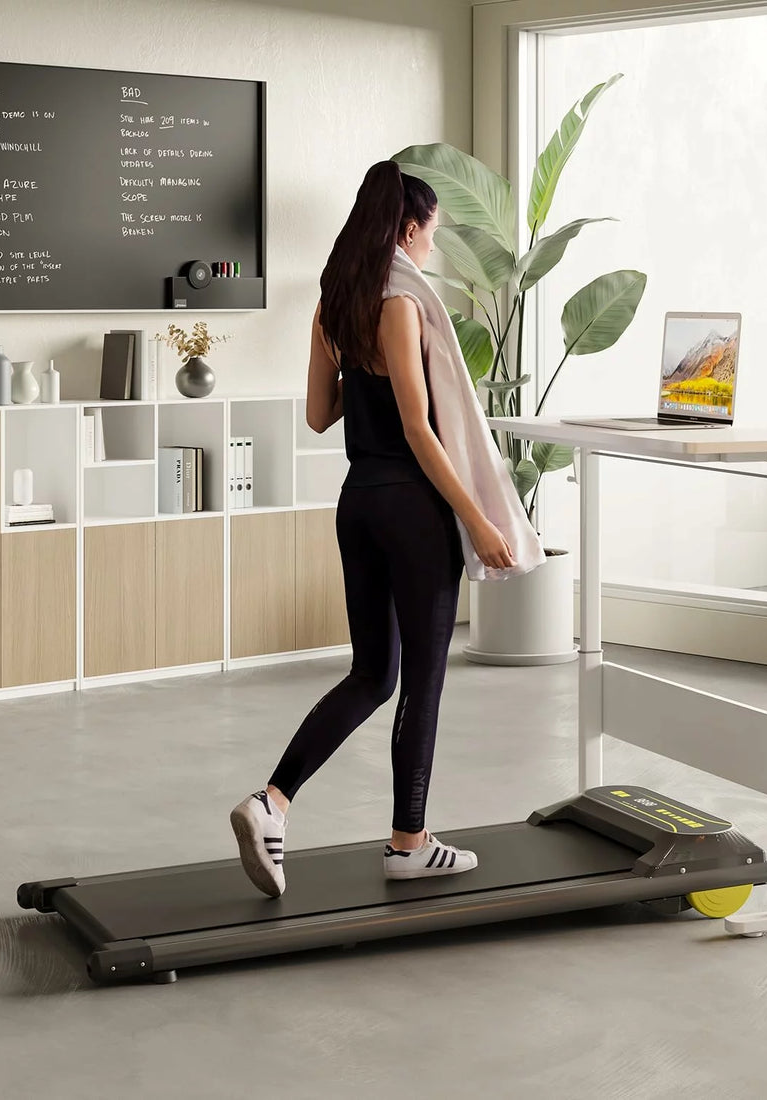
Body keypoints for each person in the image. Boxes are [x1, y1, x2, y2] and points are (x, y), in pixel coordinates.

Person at [230, 161, 517, 898]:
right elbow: (422, 432)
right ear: (410, 229)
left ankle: (272, 803)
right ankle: (408, 843)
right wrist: (478, 521)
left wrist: (341, 360)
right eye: (429, 239)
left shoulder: (336, 307)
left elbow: (319, 415)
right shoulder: (401, 306)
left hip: (357, 502)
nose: (429, 254)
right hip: (413, 508)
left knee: (371, 675)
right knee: (421, 681)